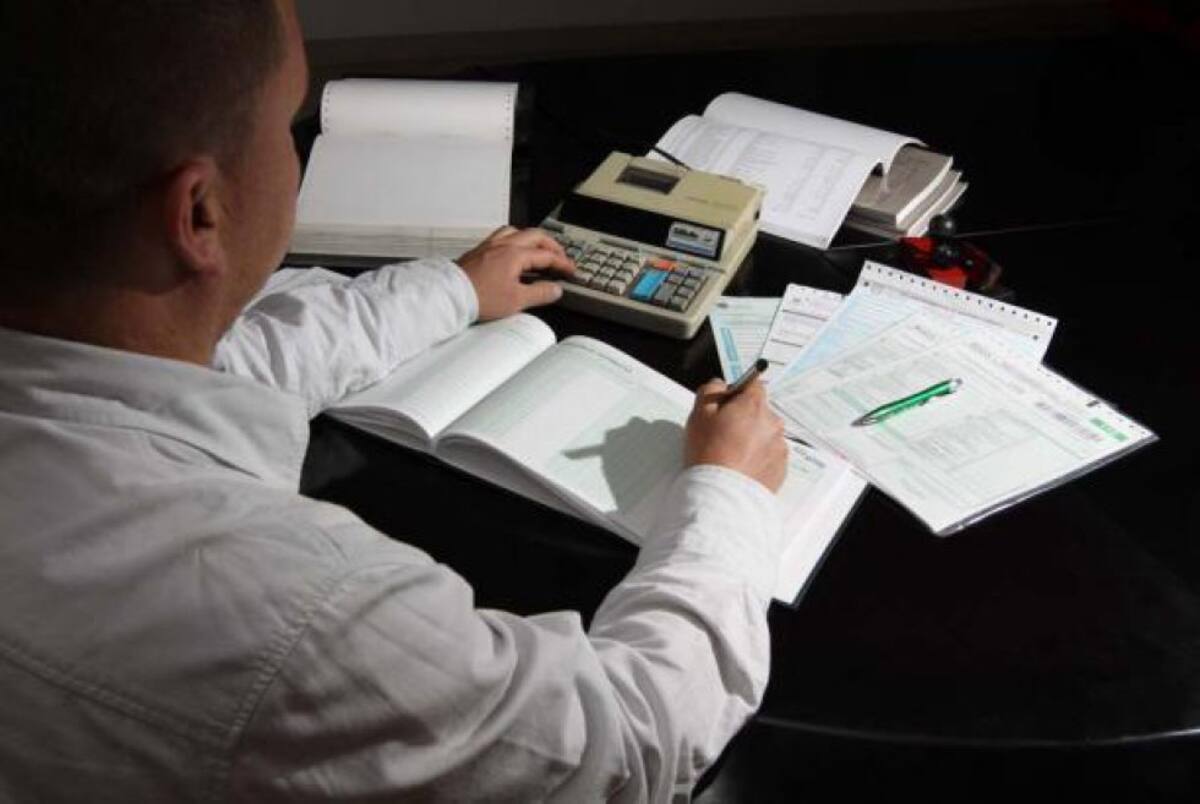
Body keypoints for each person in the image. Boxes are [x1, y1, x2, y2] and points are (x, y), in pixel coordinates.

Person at [0, 1, 788, 800]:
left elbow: (240, 362)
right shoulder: (306, 615)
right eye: (290, 123)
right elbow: (630, 742)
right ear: (200, 213)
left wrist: (451, 289)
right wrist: (730, 491)